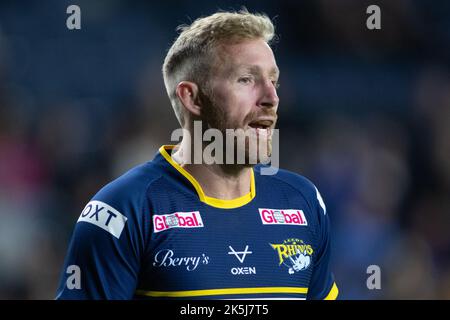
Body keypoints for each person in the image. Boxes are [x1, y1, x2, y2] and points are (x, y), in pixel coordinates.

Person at [56, 9, 338, 300]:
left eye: (274, 81)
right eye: (246, 80)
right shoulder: (122, 211)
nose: (272, 98)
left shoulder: (303, 202)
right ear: (191, 97)